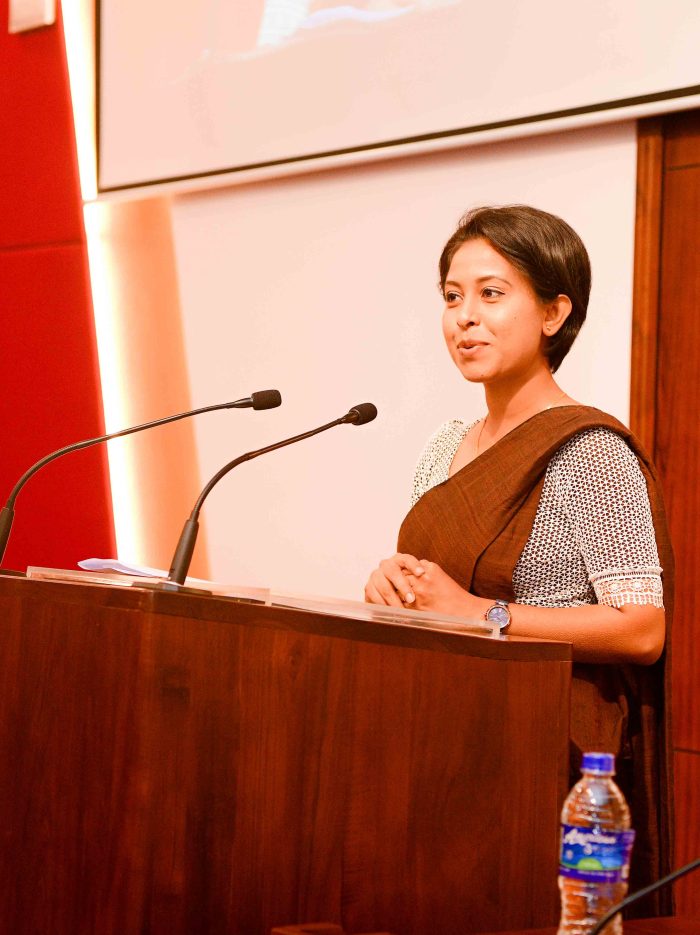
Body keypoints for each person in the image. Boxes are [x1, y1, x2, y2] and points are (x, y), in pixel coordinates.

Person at [364, 205, 673, 915]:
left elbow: (642, 627)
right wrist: (390, 585)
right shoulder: (445, 444)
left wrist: (485, 614)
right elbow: (431, 591)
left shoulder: (590, 452)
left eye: (491, 293)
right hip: (437, 740)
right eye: (452, 296)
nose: (464, 317)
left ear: (555, 313)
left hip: (545, 758)